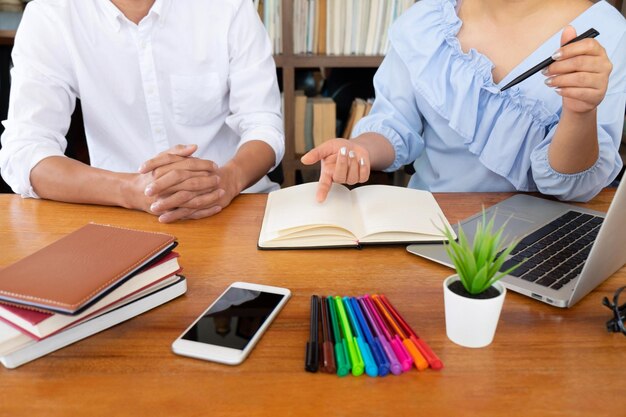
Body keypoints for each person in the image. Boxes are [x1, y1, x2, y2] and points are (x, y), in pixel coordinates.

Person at [302, 0, 626, 203]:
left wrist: (580, 112)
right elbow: (394, 125)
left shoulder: (605, 31)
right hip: (431, 227)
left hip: (543, 238)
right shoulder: (426, 20)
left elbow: (572, 187)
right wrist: (360, 149)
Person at [0, 0, 284, 223]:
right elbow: (25, 152)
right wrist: (131, 189)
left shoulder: (229, 7)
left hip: (237, 206)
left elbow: (263, 124)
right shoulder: (51, 16)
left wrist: (227, 181)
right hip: (118, 216)